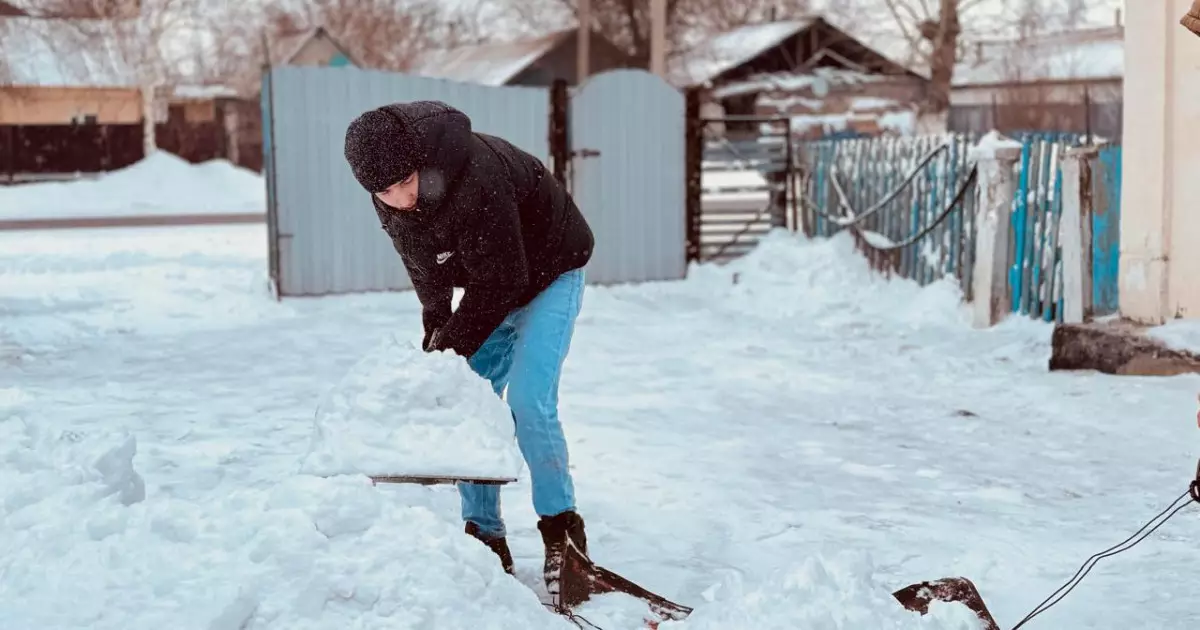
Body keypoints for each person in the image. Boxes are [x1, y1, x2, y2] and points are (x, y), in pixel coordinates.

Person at [342, 100, 594, 595]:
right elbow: (424, 267)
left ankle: (563, 532)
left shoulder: (474, 173)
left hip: (550, 271)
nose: (399, 199)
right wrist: (436, 329)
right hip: (495, 281)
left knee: (527, 399)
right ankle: (484, 533)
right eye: (384, 192)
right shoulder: (391, 193)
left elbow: (504, 280)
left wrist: (451, 350)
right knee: (468, 396)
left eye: (405, 183)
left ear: (419, 160)